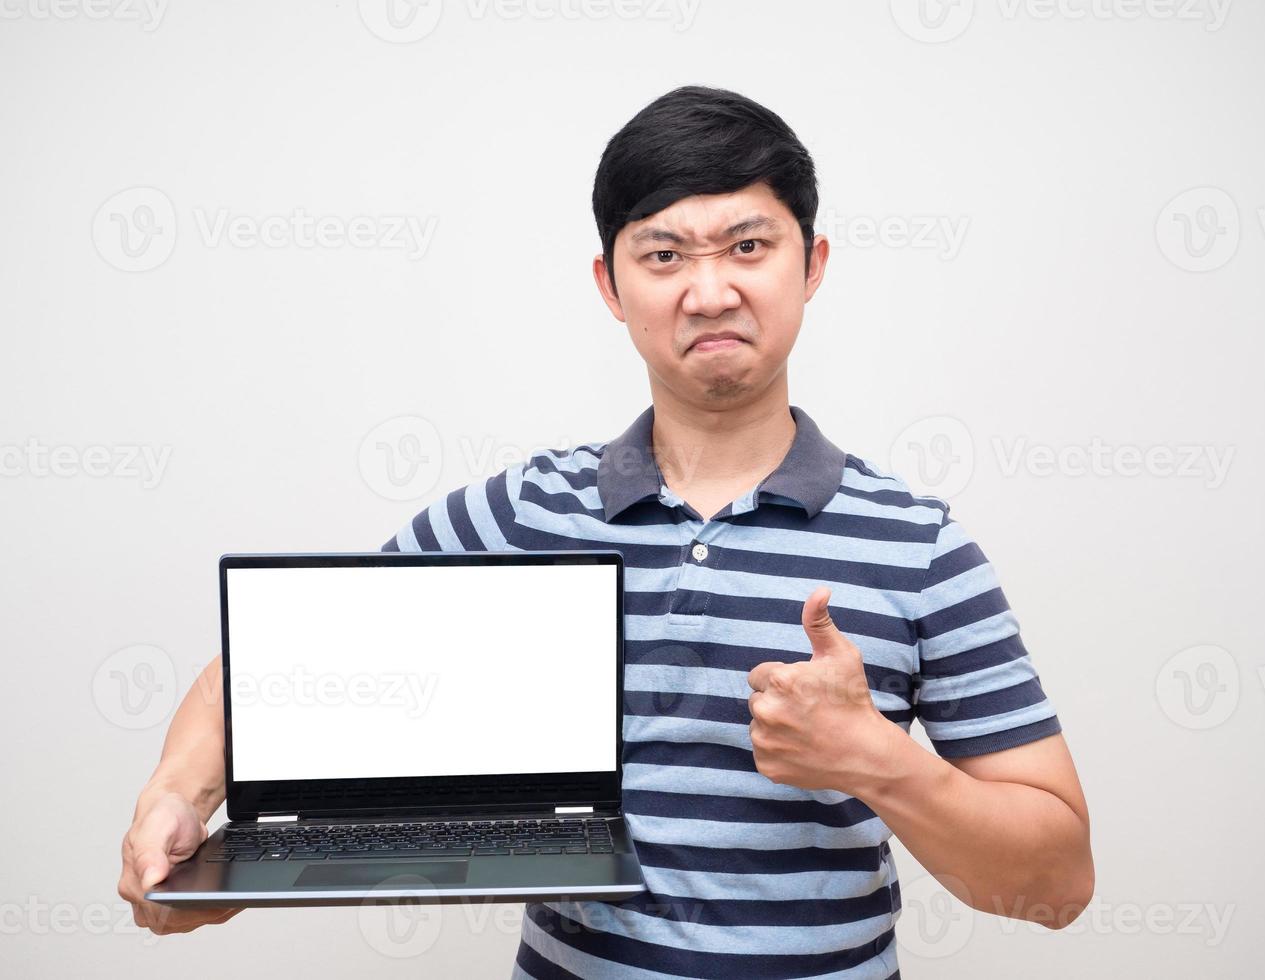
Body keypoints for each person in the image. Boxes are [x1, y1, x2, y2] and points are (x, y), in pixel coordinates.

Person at [119, 85, 1093, 978]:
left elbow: (1056, 884)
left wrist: (875, 758)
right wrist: (178, 793)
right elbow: (274, 673)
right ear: (609, 284)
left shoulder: (917, 547)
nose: (708, 290)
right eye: (663, 254)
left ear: (812, 263)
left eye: (747, 246)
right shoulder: (525, 512)